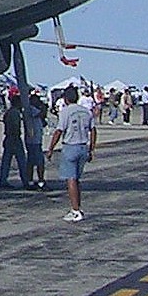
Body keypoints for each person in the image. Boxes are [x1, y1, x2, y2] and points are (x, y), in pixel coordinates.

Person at [47, 84, 96, 223]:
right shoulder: (86, 112)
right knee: (76, 179)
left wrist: (51, 148)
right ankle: (77, 207)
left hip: (70, 146)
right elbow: (93, 130)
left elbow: (59, 131)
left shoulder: (66, 112)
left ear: (66, 99)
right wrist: (92, 148)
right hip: (83, 146)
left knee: (71, 179)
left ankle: (75, 210)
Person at [0, 88, 31, 189]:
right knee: (21, 161)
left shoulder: (8, 112)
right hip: (14, 138)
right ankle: (25, 180)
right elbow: (15, 127)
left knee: (6, 161)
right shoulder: (15, 113)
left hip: (8, 137)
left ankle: (3, 179)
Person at [24, 90, 49, 190]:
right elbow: (41, 113)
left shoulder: (33, 110)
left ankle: (32, 180)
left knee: (32, 161)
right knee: (38, 162)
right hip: (33, 140)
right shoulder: (30, 109)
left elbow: (43, 121)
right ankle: (40, 181)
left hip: (36, 139)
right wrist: (43, 106)